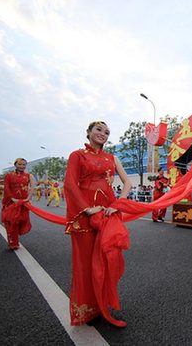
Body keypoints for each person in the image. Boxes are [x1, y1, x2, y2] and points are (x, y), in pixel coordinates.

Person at [64, 121, 132, 327]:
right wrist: (86, 208)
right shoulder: (77, 155)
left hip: (108, 212)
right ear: (88, 132)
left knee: (106, 260)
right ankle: (87, 309)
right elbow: (70, 183)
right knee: (85, 263)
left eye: (107, 132)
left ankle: (102, 303)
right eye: (99, 130)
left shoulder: (112, 158)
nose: (103, 134)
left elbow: (127, 182)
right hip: (85, 213)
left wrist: (118, 204)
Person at [1, 158, 35, 250]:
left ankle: (16, 239)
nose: (22, 166)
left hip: (23, 203)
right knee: (11, 222)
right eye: (20, 164)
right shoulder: (9, 175)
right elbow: (6, 188)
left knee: (21, 221)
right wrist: (12, 199)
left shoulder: (29, 175)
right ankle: (13, 243)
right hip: (10, 202)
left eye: (24, 164)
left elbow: (32, 187)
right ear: (15, 165)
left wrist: (28, 198)